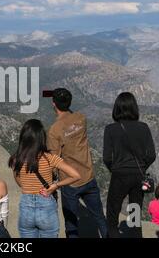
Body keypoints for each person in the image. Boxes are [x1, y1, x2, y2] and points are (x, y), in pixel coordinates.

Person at [47, 88, 108, 238]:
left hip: (70, 182)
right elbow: (71, 121)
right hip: (88, 175)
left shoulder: (54, 131)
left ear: (53, 104)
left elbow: (54, 160)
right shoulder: (81, 118)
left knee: (72, 224)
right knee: (100, 217)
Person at [9, 119, 81, 238]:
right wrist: (55, 185)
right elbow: (76, 175)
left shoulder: (16, 159)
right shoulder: (49, 158)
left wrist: (30, 183)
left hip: (26, 207)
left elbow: (20, 183)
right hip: (46, 203)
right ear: (41, 138)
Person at [103, 92, 156, 238]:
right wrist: (141, 168)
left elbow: (107, 157)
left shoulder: (110, 129)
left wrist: (114, 169)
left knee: (113, 215)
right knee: (135, 214)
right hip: (138, 176)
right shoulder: (144, 127)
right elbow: (151, 155)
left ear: (117, 108)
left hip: (119, 175)